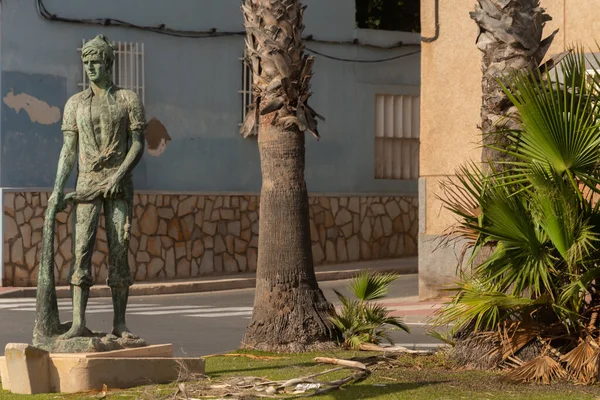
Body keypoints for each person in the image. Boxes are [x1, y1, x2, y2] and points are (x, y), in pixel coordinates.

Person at [48, 34, 146, 339]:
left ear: (108, 62)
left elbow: (138, 144)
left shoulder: (128, 99)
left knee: (119, 251)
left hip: (118, 187)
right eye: (86, 62)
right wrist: (57, 189)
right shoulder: (75, 103)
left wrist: (119, 174)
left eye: (96, 62)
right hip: (87, 185)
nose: (90, 67)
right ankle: (78, 321)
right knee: (81, 252)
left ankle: (120, 323)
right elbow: (68, 150)